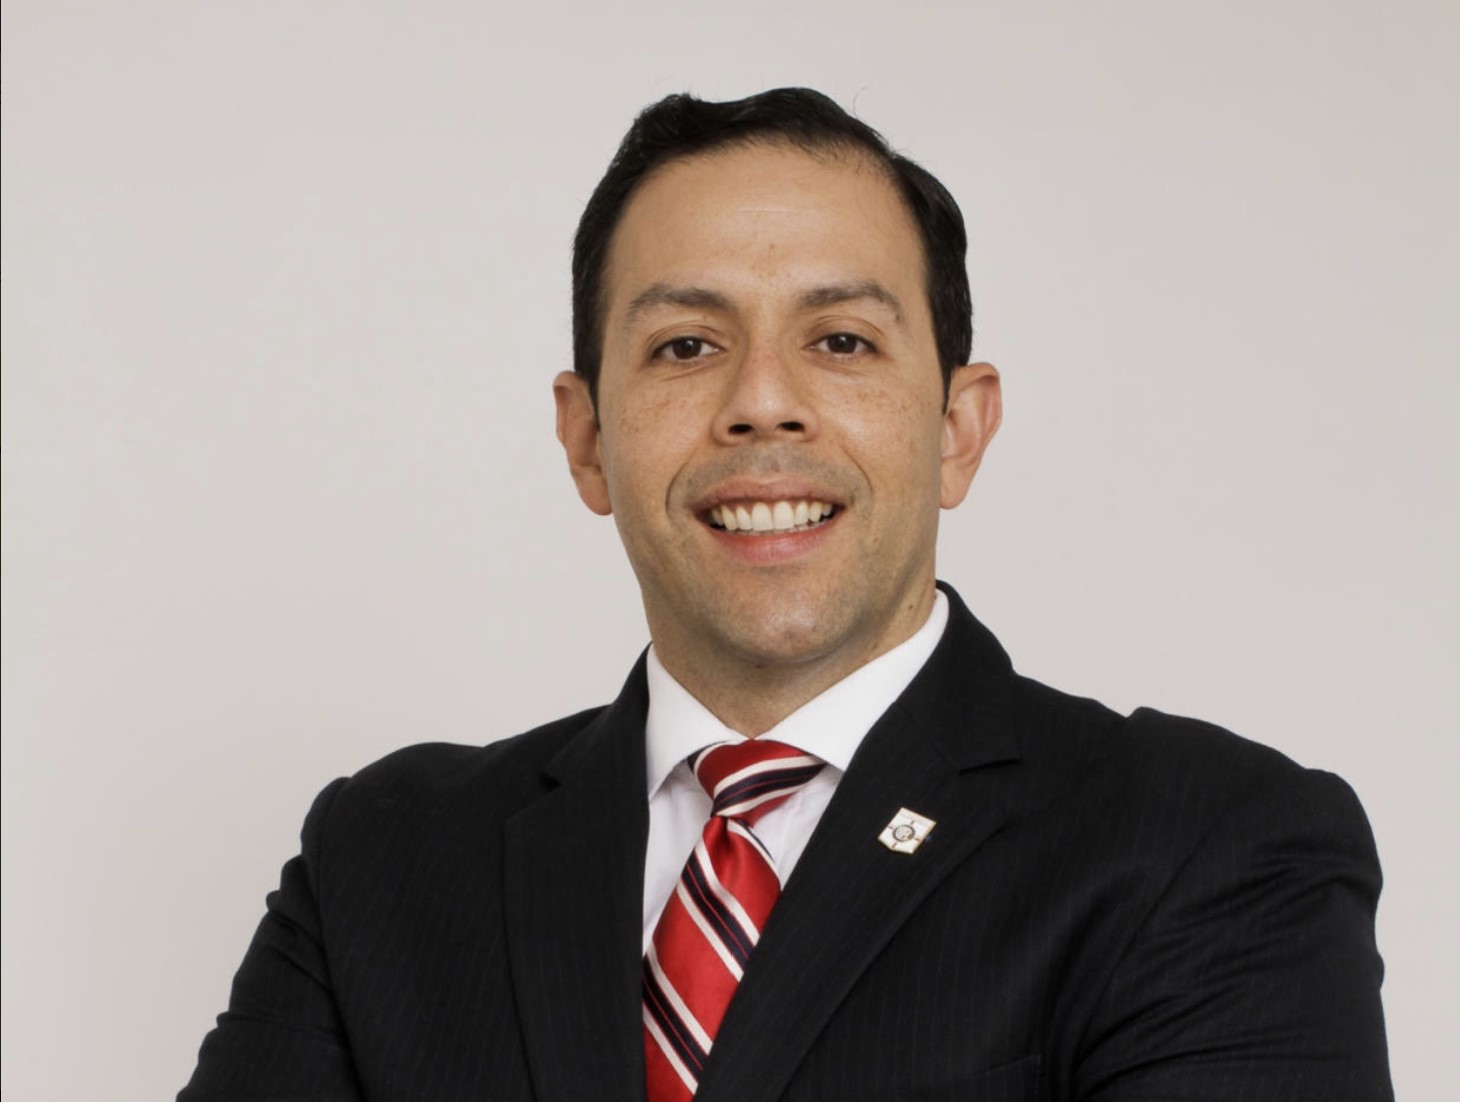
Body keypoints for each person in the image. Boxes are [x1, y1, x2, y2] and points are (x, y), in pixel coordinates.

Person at [180, 88, 1392, 1101]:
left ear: (957, 427)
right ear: (588, 439)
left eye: (841, 341)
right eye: (685, 346)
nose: (762, 401)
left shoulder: (1209, 845)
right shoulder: (385, 862)